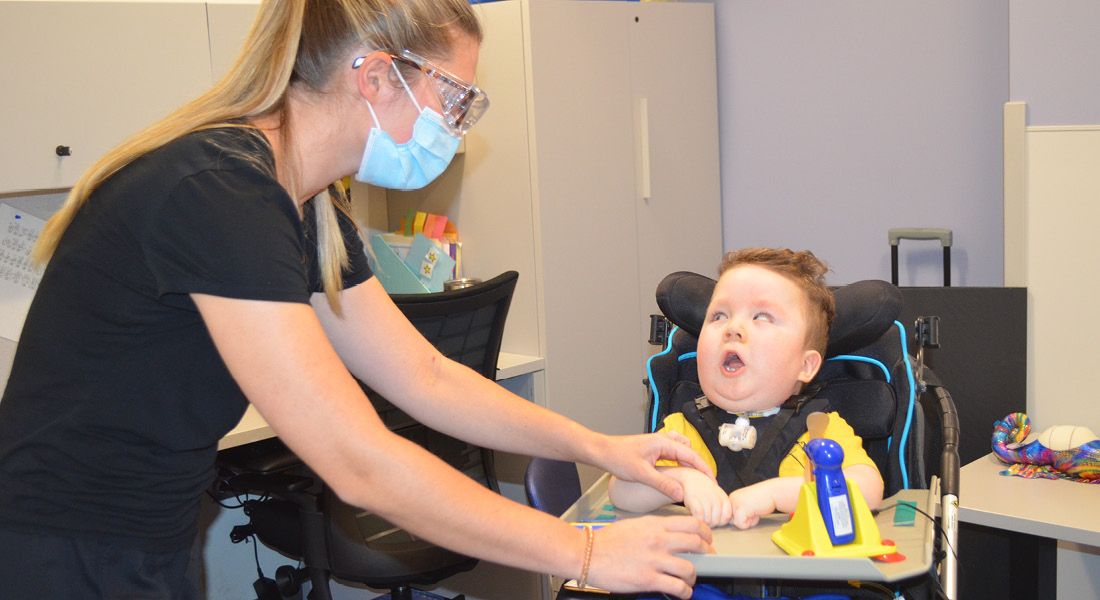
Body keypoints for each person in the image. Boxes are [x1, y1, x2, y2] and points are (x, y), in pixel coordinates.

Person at [0, 1, 718, 598]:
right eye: (455, 98)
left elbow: (427, 377)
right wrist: (584, 553)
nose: (460, 124)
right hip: (58, 546)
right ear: (375, 77)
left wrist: (598, 446)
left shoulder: (308, 204)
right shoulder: (221, 189)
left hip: (146, 533)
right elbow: (360, 464)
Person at [608, 248, 884, 529]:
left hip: (799, 569)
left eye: (761, 317)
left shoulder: (821, 430)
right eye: (718, 316)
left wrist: (777, 494)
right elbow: (620, 489)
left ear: (805, 366)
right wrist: (682, 481)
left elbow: (870, 491)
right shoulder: (682, 432)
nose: (733, 328)